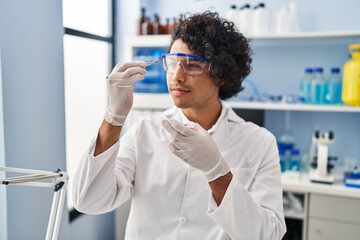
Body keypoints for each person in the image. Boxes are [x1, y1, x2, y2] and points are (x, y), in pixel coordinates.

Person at [73, 11, 286, 240]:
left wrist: (218, 172)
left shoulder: (259, 143)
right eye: (172, 62)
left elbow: (268, 234)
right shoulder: (145, 132)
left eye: (192, 65)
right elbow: (88, 200)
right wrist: (114, 116)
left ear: (222, 74)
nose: (177, 76)